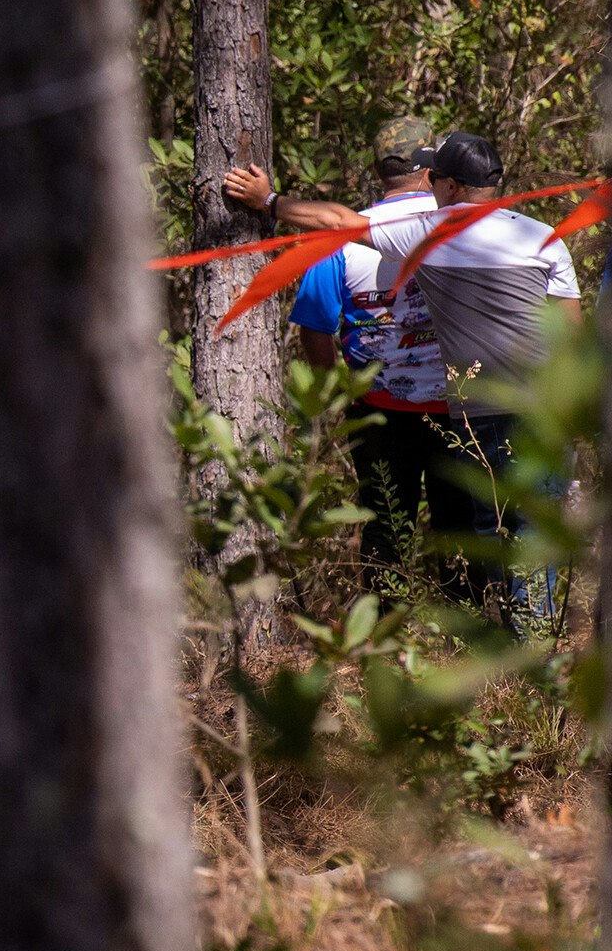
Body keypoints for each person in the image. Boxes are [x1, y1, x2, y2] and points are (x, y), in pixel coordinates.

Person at [234, 130, 579, 605]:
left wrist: (268, 200)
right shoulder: (544, 236)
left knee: (422, 527)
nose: (431, 182)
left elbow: (331, 234)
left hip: (450, 414)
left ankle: (414, 638)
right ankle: (517, 648)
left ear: (450, 185)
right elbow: (572, 339)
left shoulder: (431, 231)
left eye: (438, 175)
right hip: (528, 410)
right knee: (514, 534)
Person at [228, 118, 450, 574]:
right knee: (460, 530)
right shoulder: (456, 227)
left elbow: (315, 328)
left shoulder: (338, 240)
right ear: (431, 170)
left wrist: (336, 396)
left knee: (385, 530)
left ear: (377, 170)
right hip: (457, 406)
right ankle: (465, 634)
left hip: (376, 411)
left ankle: (379, 634)